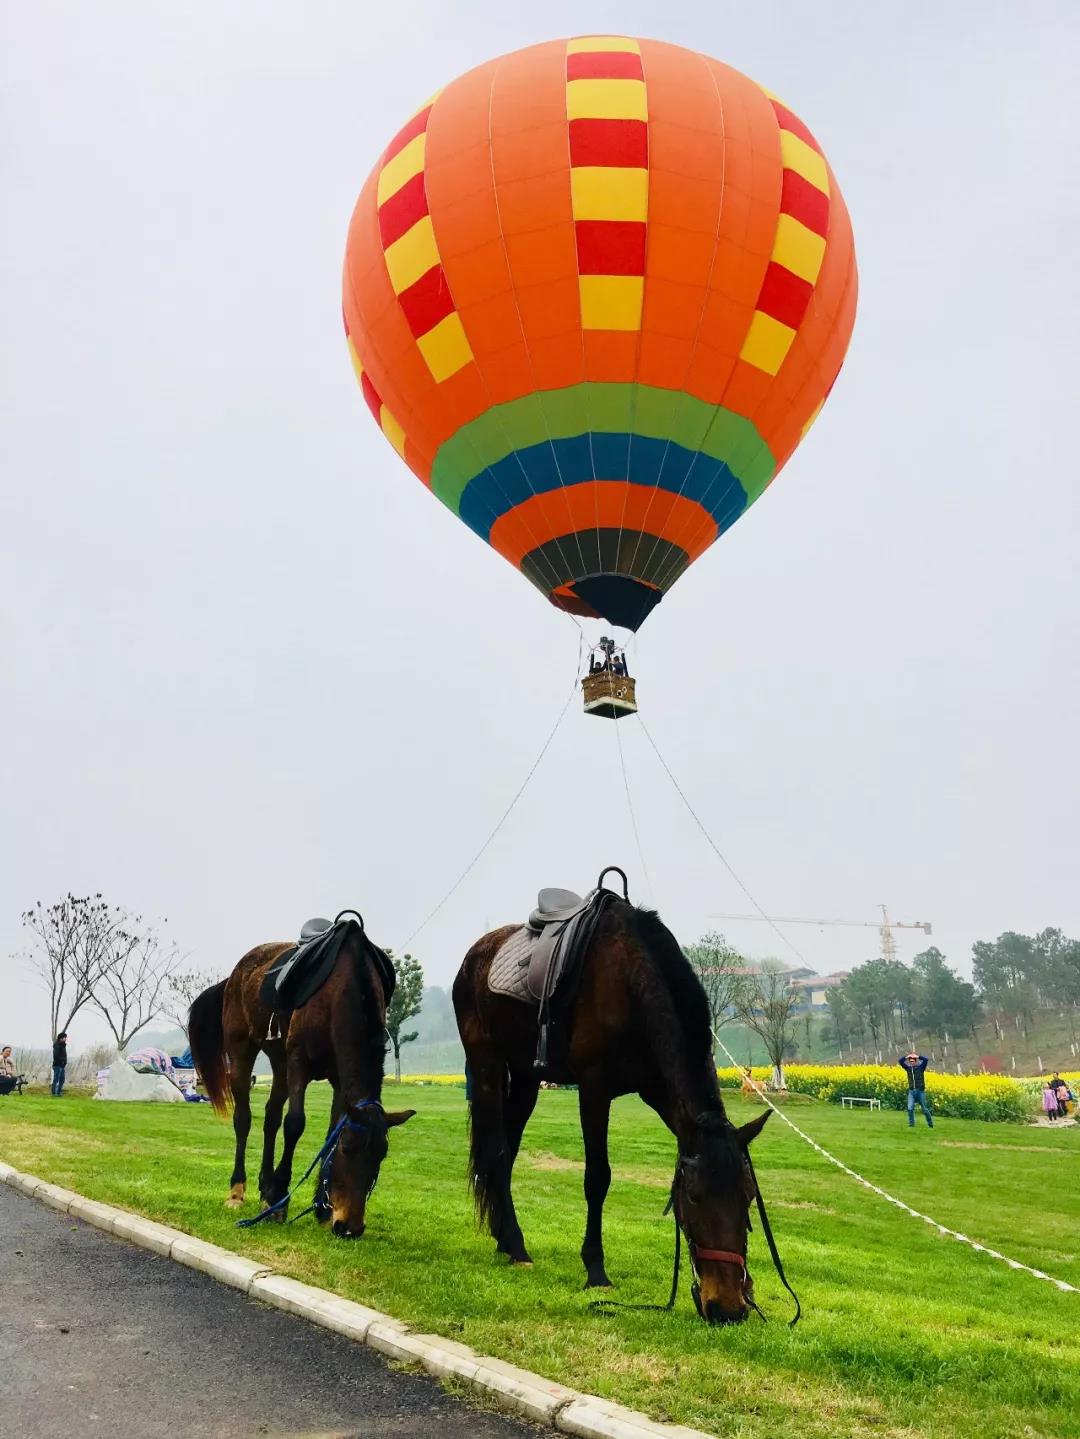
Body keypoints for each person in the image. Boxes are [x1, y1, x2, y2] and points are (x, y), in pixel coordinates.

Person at [898, 1051, 933, 1128]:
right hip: (911, 1092)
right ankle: (911, 1125)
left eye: (913, 1061)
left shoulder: (921, 1068)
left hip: (920, 1091)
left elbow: (926, 1060)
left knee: (924, 1109)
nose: (912, 1063)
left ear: (916, 1061)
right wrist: (907, 1057)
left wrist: (917, 1056)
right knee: (910, 1108)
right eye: (910, 1061)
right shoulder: (908, 1069)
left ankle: (930, 1124)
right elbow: (900, 1061)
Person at [51, 1031, 68, 1097]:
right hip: (57, 1065)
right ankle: (54, 1093)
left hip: (62, 1066)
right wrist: (62, 1061)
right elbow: (56, 1055)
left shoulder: (63, 1045)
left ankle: (58, 1092)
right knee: (56, 1079)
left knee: (62, 1079)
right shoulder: (57, 1045)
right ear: (61, 1038)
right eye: (64, 1038)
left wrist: (64, 1062)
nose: (65, 1039)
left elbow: (64, 1055)